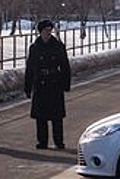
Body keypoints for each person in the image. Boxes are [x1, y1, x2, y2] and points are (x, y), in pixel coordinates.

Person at [25, 20, 71, 150]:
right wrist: (28, 87)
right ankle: (42, 141)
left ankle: (58, 141)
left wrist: (65, 84)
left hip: (55, 83)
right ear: (40, 32)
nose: (47, 33)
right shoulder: (35, 47)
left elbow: (65, 66)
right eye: (45, 30)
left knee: (57, 116)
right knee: (41, 117)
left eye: (49, 30)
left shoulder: (58, 46)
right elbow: (30, 68)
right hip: (40, 84)